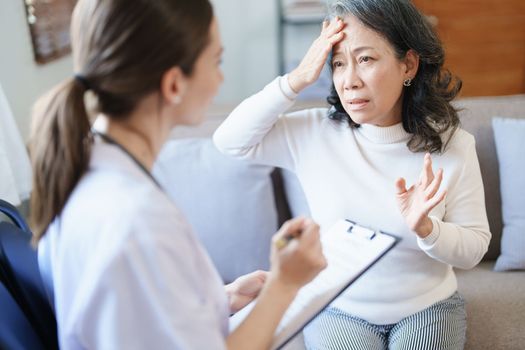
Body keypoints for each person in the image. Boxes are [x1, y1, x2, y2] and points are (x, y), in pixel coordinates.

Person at [29, 0, 327, 349]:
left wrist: (220, 299)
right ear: (173, 84)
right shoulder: (138, 219)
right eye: (217, 61)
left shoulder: (85, 171)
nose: (221, 78)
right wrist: (285, 284)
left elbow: (141, 314)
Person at [213, 0, 491, 349]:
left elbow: (474, 248)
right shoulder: (315, 133)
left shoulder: (453, 145)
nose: (349, 81)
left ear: (408, 64)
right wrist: (297, 79)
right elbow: (229, 142)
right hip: (338, 307)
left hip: (427, 308)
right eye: (339, 63)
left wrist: (428, 229)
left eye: (365, 59)